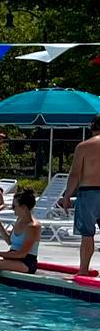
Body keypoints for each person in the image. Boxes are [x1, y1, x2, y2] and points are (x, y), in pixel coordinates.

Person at [61, 117, 100, 278]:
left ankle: (83, 270)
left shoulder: (84, 147)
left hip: (89, 192)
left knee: (87, 234)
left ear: (92, 128)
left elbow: (75, 174)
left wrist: (67, 195)